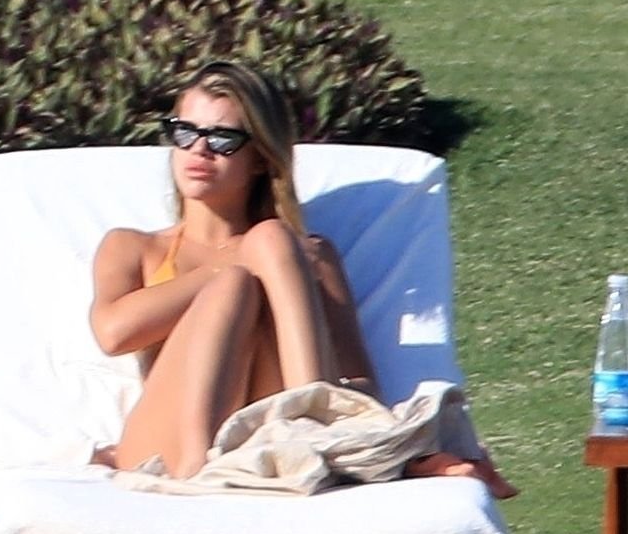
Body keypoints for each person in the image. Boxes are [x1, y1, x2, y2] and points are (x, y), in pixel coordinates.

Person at [88, 60, 515, 498]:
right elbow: (113, 334)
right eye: (184, 132)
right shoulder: (135, 247)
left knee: (271, 240)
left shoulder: (306, 256)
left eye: (222, 138)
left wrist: (268, 255)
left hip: (267, 433)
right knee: (235, 282)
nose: (199, 150)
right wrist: (235, 264)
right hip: (168, 444)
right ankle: (223, 461)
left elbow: (361, 384)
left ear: (260, 158)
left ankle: (311, 431)